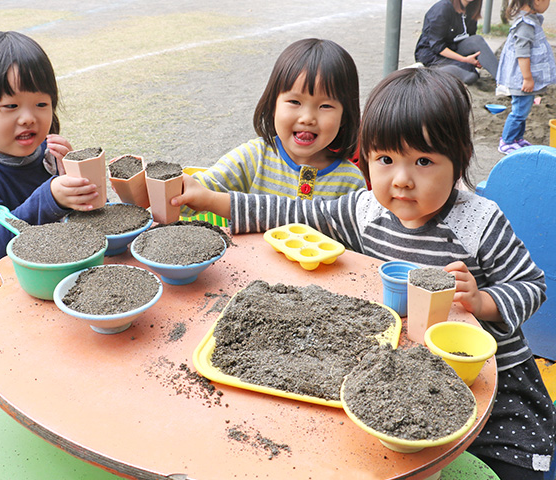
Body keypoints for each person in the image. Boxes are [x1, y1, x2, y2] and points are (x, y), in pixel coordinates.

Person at [173, 67, 555, 480]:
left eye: (424, 161)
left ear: (459, 159)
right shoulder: (366, 210)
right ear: (367, 158)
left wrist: (485, 302)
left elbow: (533, 285)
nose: (402, 180)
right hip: (397, 372)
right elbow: (294, 212)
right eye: (386, 160)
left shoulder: (479, 221)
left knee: (522, 469)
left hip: (485, 376)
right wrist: (211, 198)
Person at [0, 31, 100, 291]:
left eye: (41, 103)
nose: (28, 118)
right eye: (11, 106)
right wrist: (51, 197)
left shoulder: (52, 153)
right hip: (10, 283)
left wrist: (76, 174)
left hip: (64, 266)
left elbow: (95, 215)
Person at [179, 38, 365, 218]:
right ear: (273, 105)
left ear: (344, 116)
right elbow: (196, 195)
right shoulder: (254, 157)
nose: (307, 118)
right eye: (294, 101)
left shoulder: (351, 183)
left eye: (325, 106)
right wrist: (172, 190)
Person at [496, 0, 556, 153]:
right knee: (519, 111)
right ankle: (507, 140)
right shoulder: (525, 24)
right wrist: (527, 78)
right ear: (537, 1)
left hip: (522, 77)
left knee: (523, 109)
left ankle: (517, 138)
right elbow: (522, 53)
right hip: (521, 78)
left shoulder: (530, 20)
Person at [415, 0, 499, 85]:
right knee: (470, 76)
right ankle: (426, 72)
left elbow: (470, 36)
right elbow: (437, 46)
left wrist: (479, 59)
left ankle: (502, 82)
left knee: (476, 40)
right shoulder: (443, 8)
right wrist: (464, 59)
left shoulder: (472, 7)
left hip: (454, 48)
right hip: (433, 55)